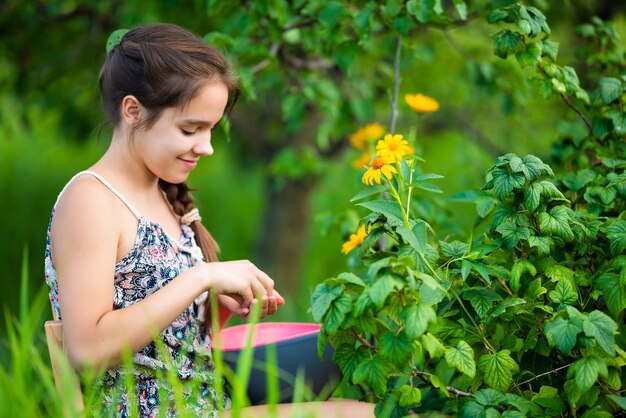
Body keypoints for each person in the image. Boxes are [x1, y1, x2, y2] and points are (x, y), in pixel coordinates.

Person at [44, 23, 373, 418]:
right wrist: (200, 279)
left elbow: (175, 344)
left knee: (374, 409)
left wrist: (216, 306)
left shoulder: (162, 193)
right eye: (190, 129)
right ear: (132, 111)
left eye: (211, 129)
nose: (207, 147)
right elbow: (86, 351)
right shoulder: (91, 200)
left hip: (209, 403)